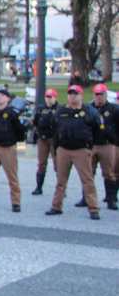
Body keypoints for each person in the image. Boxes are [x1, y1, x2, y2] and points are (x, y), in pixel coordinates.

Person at [45, 84, 103, 220]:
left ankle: (93, 208)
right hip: (64, 149)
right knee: (61, 180)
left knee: (87, 180)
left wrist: (89, 146)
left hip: (81, 150)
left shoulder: (90, 111)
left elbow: (98, 130)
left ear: (81, 95)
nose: (72, 96)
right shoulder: (61, 111)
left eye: (75, 93)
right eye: (70, 93)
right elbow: (54, 127)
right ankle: (56, 206)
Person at [89, 83, 118, 210]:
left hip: (107, 145)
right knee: (88, 173)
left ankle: (111, 199)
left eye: (101, 94)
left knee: (109, 173)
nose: (99, 97)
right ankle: (87, 198)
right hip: (91, 145)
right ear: (93, 95)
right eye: (97, 94)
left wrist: (114, 139)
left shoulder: (113, 109)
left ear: (106, 95)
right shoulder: (89, 109)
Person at [31, 88, 60, 196]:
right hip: (42, 138)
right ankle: (39, 187)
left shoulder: (59, 109)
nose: (49, 99)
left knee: (58, 164)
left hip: (54, 138)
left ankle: (61, 188)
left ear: (55, 98)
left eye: (51, 97)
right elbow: (35, 122)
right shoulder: (40, 109)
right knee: (42, 163)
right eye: (47, 97)